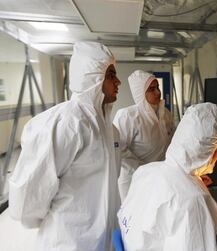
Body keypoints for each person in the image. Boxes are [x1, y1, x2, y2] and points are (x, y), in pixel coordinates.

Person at [8, 41, 121, 251]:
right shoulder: (67, 124)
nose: (118, 82)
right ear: (93, 79)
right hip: (69, 241)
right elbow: (28, 196)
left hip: (103, 240)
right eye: (111, 75)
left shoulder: (109, 130)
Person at [118, 102, 217, 251]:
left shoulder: (146, 171)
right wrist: (193, 189)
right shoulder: (192, 200)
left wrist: (193, 183)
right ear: (208, 152)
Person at [113, 70, 175, 201]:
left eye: (157, 87)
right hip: (133, 179)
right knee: (134, 217)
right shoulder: (128, 116)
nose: (158, 92)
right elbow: (119, 151)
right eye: (151, 89)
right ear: (141, 93)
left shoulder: (165, 114)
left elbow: (173, 141)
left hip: (159, 176)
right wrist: (144, 170)